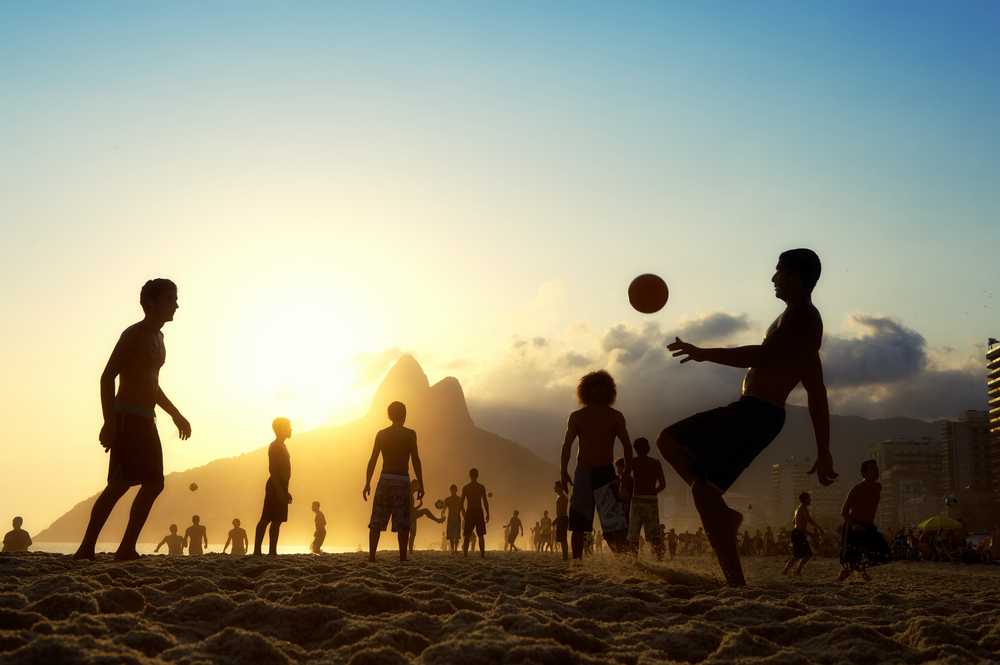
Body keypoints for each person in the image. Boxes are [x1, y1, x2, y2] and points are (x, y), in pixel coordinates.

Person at [656, 249, 836, 587]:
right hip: (749, 408)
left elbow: (767, 357)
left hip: (760, 412)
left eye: (778, 271)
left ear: (795, 276)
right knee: (667, 441)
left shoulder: (801, 316)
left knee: (703, 492)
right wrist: (823, 450)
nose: (773, 278)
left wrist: (703, 353)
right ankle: (722, 512)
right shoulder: (799, 321)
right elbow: (816, 390)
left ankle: (735, 583)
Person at [73, 279, 192, 561]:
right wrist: (109, 422)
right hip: (126, 416)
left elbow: (152, 383)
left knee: (154, 484)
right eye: (170, 299)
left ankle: (126, 547)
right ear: (152, 302)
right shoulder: (133, 334)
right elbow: (107, 377)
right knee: (119, 484)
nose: (176, 305)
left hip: (147, 419)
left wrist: (175, 413)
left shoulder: (159, 339)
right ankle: (86, 548)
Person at [560, 370, 634, 562]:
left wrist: (627, 472)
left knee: (616, 526)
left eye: (601, 386)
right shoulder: (577, 417)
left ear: (608, 390)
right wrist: (563, 471)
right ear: (586, 390)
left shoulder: (615, 416)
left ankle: (625, 564)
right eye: (594, 386)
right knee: (578, 524)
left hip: (606, 473)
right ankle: (577, 565)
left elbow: (627, 445)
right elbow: (567, 445)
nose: (598, 389)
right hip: (582, 473)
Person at [363, 402, 424, 562]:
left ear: (389, 415)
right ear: (405, 415)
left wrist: (367, 483)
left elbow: (373, 460)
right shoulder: (410, 434)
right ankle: (403, 558)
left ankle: (372, 557)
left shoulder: (381, 434)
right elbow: (415, 459)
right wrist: (421, 484)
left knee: (376, 520)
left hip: (384, 479)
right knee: (403, 522)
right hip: (402, 480)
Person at [839, 460, 893, 581]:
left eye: (877, 468)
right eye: (872, 468)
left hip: (869, 527)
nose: (876, 471)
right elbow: (844, 512)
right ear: (864, 472)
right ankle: (838, 582)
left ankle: (860, 567)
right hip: (854, 527)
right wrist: (854, 525)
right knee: (848, 566)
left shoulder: (878, 487)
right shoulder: (857, 489)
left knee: (886, 556)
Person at [253, 418, 292, 555]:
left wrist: (286, 490)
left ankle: (272, 551)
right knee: (266, 518)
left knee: (277, 520)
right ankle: (257, 551)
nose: (291, 429)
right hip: (275, 484)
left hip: (282, 485)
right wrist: (279, 490)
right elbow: (272, 469)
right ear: (281, 429)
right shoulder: (275, 445)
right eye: (288, 427)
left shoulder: (283, 446)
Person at [627, 437, 666, 560]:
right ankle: (659, 560)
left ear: (636, 450)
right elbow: (663, 484)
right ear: (648, 448)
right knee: (655, 535)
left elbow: (625, 477)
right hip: (652, 500)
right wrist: (654, 491)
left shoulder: (634, 462)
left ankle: (635, 560)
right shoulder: (656, 463)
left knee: (634, 535)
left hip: (637, 499)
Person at [783, 492, 823, 576]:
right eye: (809, 498)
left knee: (805, 554)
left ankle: (793, 570)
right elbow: (808, 519)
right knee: (802, 555)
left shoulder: (797, 508)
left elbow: (793, 521)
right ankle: (790, 570)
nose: (810, 499)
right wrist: (819, 527)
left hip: (797, 532)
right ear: (806, 499)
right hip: (798, 533)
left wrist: (804, 529)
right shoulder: (804, 509)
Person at [407, 479, 445, 554]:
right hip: (411, 516)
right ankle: (437, 520)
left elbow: (411, 508)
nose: (418, 487)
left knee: (411, 534)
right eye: (418, 485)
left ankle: (410, 550)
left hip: (407, 515)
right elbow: (412, 510)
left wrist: (418, 506)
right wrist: (419, 506)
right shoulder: (410, 495)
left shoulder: (409, 493)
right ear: (414, 485)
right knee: (412, 534)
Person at [461, 468, 490, 558]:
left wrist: (458, 514)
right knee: (481, 535)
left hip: (470, 511)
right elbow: (485, 501)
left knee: (467, 534)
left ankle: (465, 555)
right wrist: (488, 513)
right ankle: (482, 555)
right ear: (478, 475)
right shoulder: (481, 487)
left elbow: (461, 502)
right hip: (478, 511)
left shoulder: (466, 487)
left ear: (469, 476)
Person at [442, 484, 464, 552]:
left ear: (456, 490)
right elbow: (444, 508)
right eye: (452, 490)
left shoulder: (459, 499)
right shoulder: (447, 499)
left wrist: (465, 518)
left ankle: (456, 548)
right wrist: (442, 516)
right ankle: (452, 549)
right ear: (450, 490)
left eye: (454, 490)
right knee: (451, 535)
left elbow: (462, 509)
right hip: (450, 517)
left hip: (457, 517)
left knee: (457, 535)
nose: (453, 491)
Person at [554, 481, 569, 560]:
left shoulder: (563, 496)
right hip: (561, 517)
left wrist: (556, 519)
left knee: (563, 538)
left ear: (559, 487)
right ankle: (564, 556)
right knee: (561, 538)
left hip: (562, 517)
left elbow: (563, 510)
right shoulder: (560, 496)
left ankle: (565, 556)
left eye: (555, 487)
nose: (554, 488)